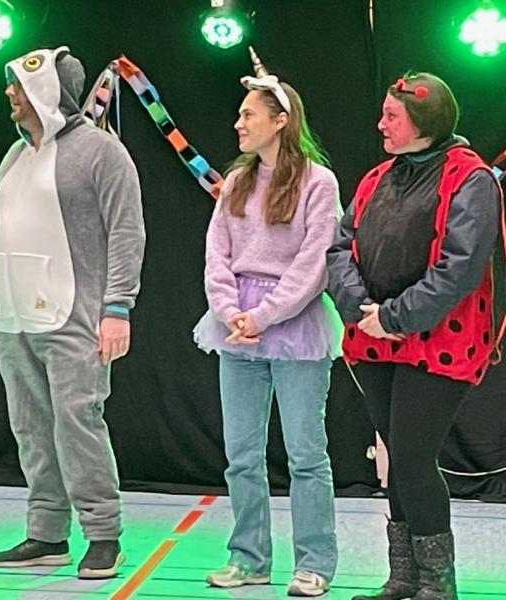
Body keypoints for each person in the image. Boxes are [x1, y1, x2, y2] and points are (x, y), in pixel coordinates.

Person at [0, 46, 145, 579]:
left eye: (18, 85)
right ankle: (46, 533)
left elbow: (127, 232)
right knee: (30, 428)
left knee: (77, 425)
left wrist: (117, 307)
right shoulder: (14, 157)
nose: (9, 93)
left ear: (45, 90)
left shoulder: (101, 152)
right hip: (14, 318)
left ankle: (103, 534)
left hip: (74, 316)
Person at [327, 72, 504, 600]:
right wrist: (360, 308)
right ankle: (405, 577)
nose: (381, 124)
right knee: (396, 458)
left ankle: (438, 583)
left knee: (410, 457)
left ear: (424, 123)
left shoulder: (471, 179)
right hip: (373, 335)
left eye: (392, 116)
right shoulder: (376, 177)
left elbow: (460, 267)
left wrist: (396, 317)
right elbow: (340, 248)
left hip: (439, 339)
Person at [193, 48, 341, 597]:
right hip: (237, 326)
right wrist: (229, 310)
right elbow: (216, 252)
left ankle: (315, 562)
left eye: (248, 114)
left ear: (280, 120)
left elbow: (314, 261)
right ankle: (249, 558)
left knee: (305, 454)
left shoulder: (319, 183)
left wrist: (263, 314)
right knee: (241, 456)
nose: (238, 123)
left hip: (294, 324)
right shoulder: (236, 181)